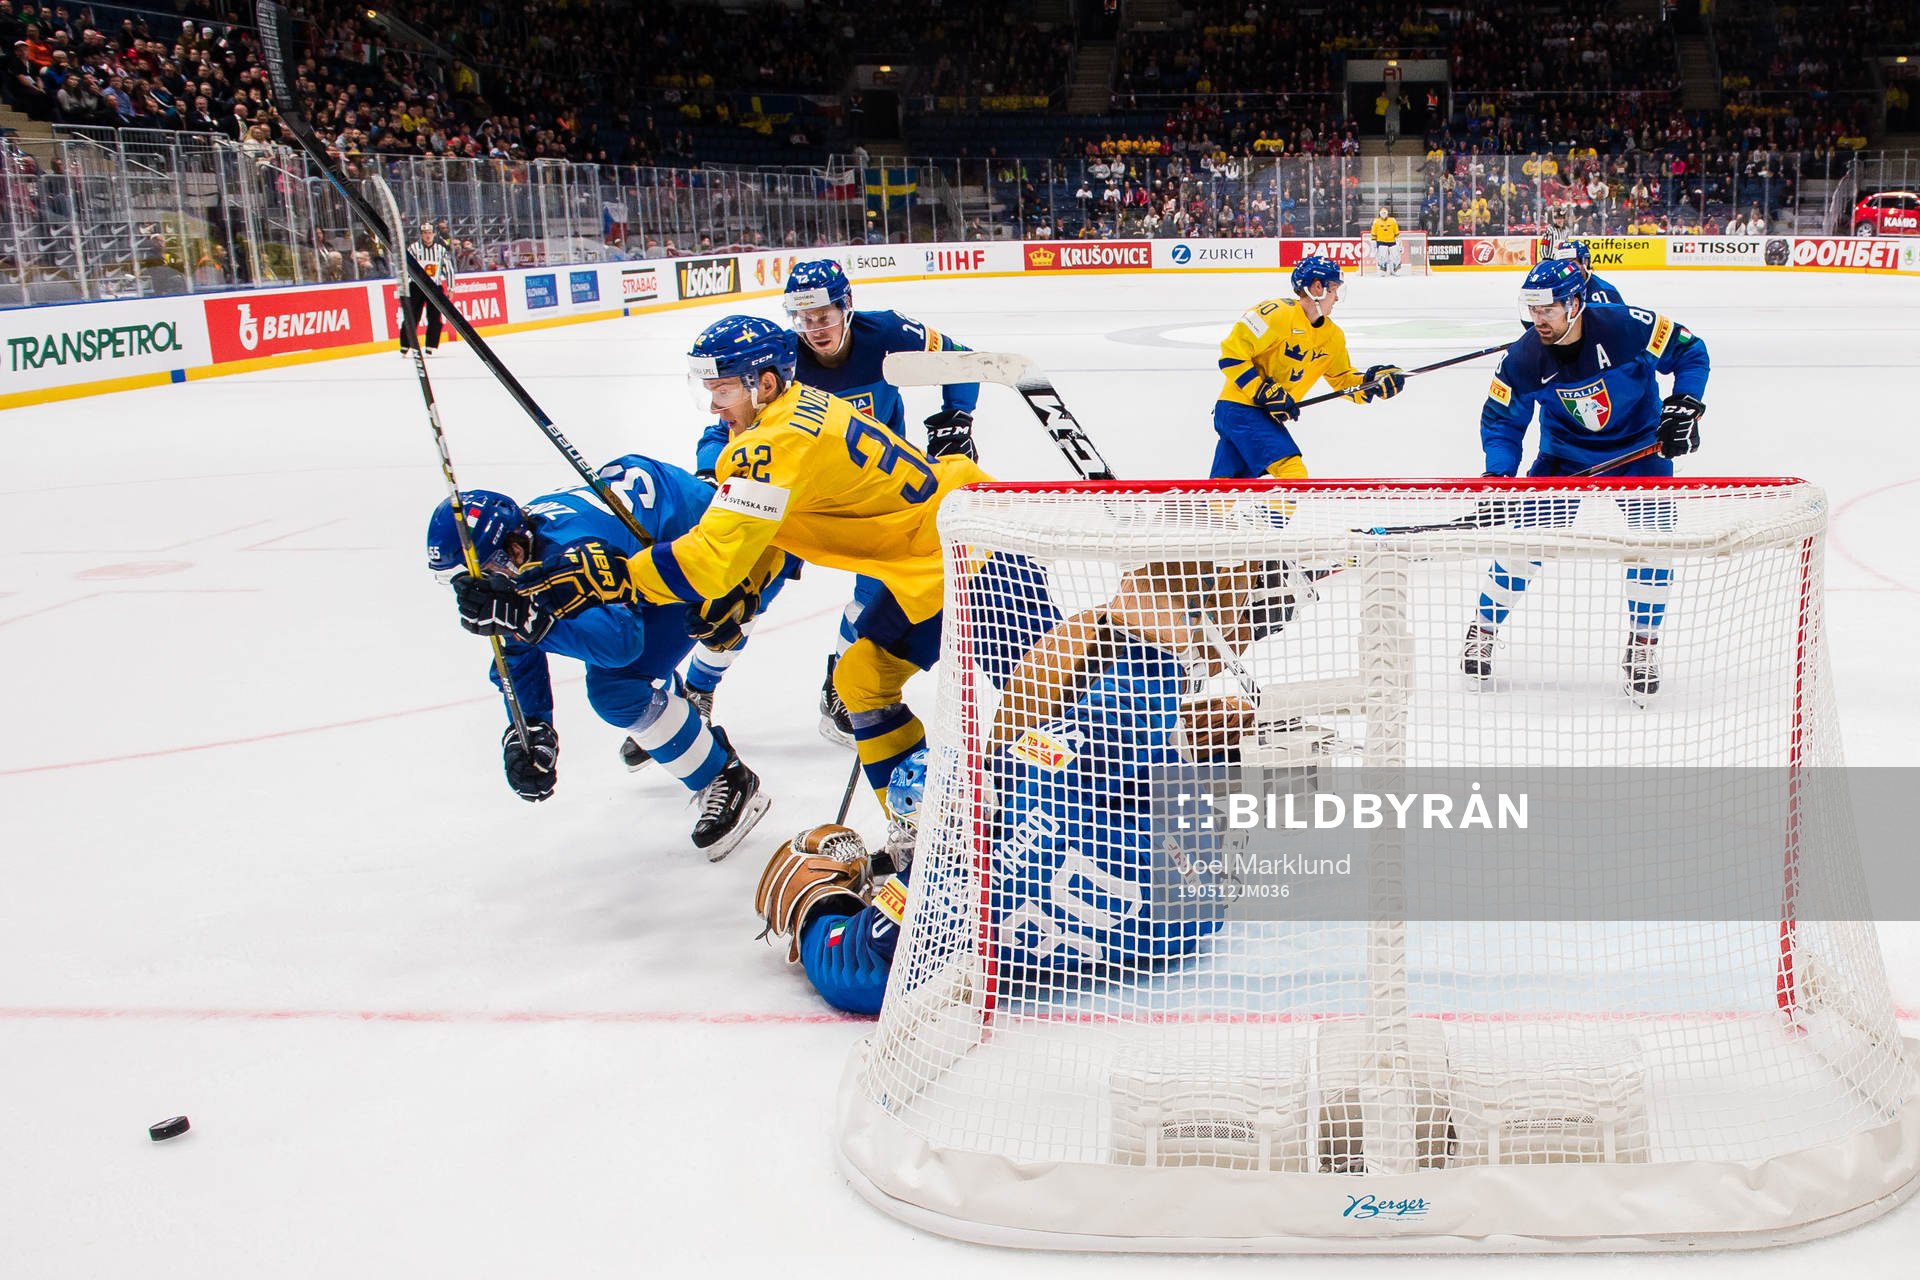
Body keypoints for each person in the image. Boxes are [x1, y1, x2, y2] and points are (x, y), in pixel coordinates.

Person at [459, 316, 990, 814]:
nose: (714, 406)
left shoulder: (770, 445)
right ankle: (922, 833)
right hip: (950, 546)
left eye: (723, 389)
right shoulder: (801, 410)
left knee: (1048, 698)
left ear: (763, 382)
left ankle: (1026, 827)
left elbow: (709, 562)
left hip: (964, 562)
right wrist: (751, 587)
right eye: (709, 390)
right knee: (861, 683)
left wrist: (618, 580)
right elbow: (786, 523)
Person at [752, 559, 1275, 1014]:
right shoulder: (1082, 746)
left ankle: (1161, 630)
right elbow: (1112, 719)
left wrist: (818, 910)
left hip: (1176, 905)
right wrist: (1174, 649)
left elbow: (854, 969)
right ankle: (1166, 628)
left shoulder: (964, 862)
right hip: (1190, 907)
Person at [434, 455, 791, 860]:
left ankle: (725, 776)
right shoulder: (524, 552)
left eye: (470, 574)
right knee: (608, 653)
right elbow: (517, 646)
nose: (468, 590)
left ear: (513, 550)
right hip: (666, 550)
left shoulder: (569, 547)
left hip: (728, 553)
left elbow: (620, 643)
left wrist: (533, 621)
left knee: (615, 688)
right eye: (454, 581)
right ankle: (676, 716)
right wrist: (531, 729)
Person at [690, 259, 982, 746]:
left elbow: (964, 360)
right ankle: (698, 689)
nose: (814, 329)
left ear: (847, 306)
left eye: (823, 315)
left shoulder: (887, 332)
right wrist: (708, 471)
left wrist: (957, 417)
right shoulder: (779, 361)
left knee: (871, 599)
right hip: (792, 501)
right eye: (803, 319)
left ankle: (841, 684)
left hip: (871, 503)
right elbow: (723, 425)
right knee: (743, 596)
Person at [1462, 258, 1710, 698]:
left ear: (1575, 304)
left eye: (1548, 309)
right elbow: (1502, 421)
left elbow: (1690, 350)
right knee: (1524, 547)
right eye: (1533, 309)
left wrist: (1685, 404)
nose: (1538, 319)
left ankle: (1643, 644)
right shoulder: (1523, 358)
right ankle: (1482, 630)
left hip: (1639, 452)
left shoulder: (1629, 327)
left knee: (1653, 550)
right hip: (1565, 458)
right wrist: (1498, 475)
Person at [1210, 255, 1405, 481]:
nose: (1337, 298)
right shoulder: (1276, 313)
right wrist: (1262, 390)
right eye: (1333, 289)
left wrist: (1372, 383)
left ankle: (1195, 516)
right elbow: (1231, 355)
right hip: (1241, 407)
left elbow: (1343, 380)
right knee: (1293, 474)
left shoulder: (1332, 336)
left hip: (1260, 415)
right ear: (1317, 287)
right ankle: (1264, 518)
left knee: (1225, 486)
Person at [400, 220, 454, 354]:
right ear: (421, 234)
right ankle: (406, 344)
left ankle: (431, 345)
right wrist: (405, 285)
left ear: (434, 234)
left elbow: (449, 269)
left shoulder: (440, 249)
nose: (427, 235)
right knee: (412, 315)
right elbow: (406, 267)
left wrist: (450, 288)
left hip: (434, 286)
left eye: (429, 233)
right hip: (416, 287)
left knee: (435, 316)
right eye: (424, 233)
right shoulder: (413, 248)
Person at [1547, 238, 1623, 305]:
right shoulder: (1554, 289)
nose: (1566, 270)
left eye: (1571, 264)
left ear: (1585, 262)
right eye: (1562, 265)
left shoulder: (1607, 292)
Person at [1369, 204, 1403, 276]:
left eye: (1385, 213)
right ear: (1380, 214)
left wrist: (1400, 245)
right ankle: (1382, 269)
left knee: (1395, 255)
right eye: (1382, 213)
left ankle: (1395, 269)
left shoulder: (1392, 221)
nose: (1383, 214)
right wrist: (1373, 247)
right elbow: (1373, 234)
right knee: (1382, 256)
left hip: (1392, 241)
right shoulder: (1376, 222)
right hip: (1381, 241)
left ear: (1387, 213)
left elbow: (1397, 233)